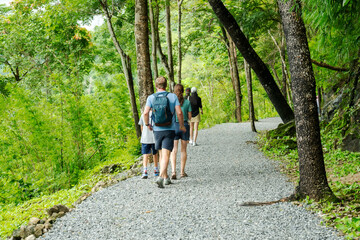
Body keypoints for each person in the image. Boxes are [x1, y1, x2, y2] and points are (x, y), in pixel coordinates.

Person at [143, 76, 186, 188]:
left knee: (162, 153)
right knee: (166, 153)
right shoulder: (172, 96)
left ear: (156, 86)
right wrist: (181, 125)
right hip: (169, 129)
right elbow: (180, 113)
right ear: (166, 85)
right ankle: (161, 177)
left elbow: (146, 113)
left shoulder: (151, 97)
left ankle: (166, 178)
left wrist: (147, 125)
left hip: (156, 130)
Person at [170, 84, 192, 179]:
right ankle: (182, 172)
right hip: (184, 126)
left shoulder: (172, 102)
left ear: (174, 91)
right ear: (183, 91)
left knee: (174, 150)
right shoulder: (187, 102)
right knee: (183, 150)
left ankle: (173, 171)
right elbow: (190, 117)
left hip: (174, 126)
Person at [138, 110, 159, 179]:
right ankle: (156, 169)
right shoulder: (156, 114)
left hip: (145, 138)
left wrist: (143, 134)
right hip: (154, 137)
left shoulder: (143, 114)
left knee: (145, 154)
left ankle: (145, 170)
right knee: (155, 153)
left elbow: (142, 126)